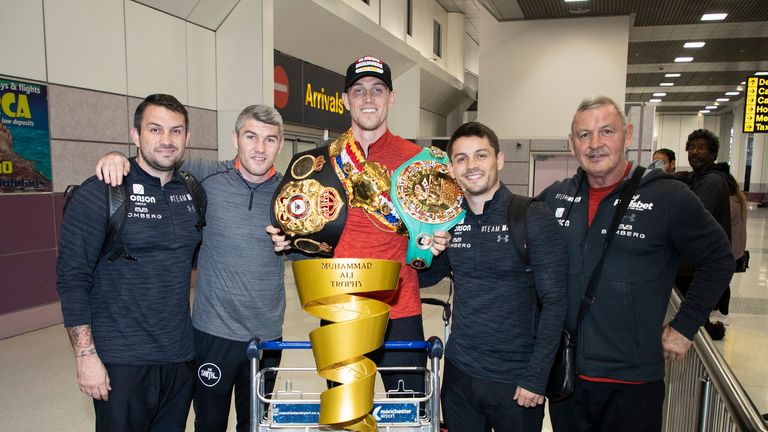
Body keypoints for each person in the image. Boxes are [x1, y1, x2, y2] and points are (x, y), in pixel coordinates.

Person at [538, 96, 733, 432]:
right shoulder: (556, 197)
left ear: (628, 136)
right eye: (584, 135)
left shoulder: (668, 197)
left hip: (631, 380)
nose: (595, 144)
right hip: (568, 375)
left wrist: (685, 326)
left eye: (606, 131)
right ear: (572, 145)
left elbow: (719, 258)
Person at [95, 105, 286, 431]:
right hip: (213, 332)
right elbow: (157, 159)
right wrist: (118, 158)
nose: (259, 148)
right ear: (235, 138)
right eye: (251, 136)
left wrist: (293, 244)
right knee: (209, 423)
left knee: (256, 424)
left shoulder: (291, 193)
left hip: (268, 336)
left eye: (270, 140)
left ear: (280, 144)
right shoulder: (203, 174)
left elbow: (312, 253)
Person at [268, 55, 448, 395]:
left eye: (377, 90)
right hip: (340, 309)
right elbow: (301, 228)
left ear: (391, 98)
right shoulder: (320, 162)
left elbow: (435, 233)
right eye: (359, 90)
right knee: (345, 414)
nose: (368, 98)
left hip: (401, 311)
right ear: (345, 99)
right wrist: (286, 238)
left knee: (408, 412)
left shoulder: (417, 161)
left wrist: (437, 240)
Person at [57, 94, 204, 431]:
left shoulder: (193, 192)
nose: (166, 140)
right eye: (155, 129)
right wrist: (86, 357)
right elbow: (72, 278)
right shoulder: (100, 192)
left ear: (187, 138)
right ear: (136, 135)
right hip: (121, 361)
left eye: (176, 131)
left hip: (179, 356)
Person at [419, 122, 567, 431]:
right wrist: (426, 249)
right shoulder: (449, 219)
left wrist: (536, 377)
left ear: (499, 160)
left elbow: (555, 302)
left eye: (480, 155)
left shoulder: (532, 216)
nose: (471, 166)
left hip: (515, 380)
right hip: (460, 375)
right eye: (461, 158)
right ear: (451, 168)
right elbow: (428, 277)